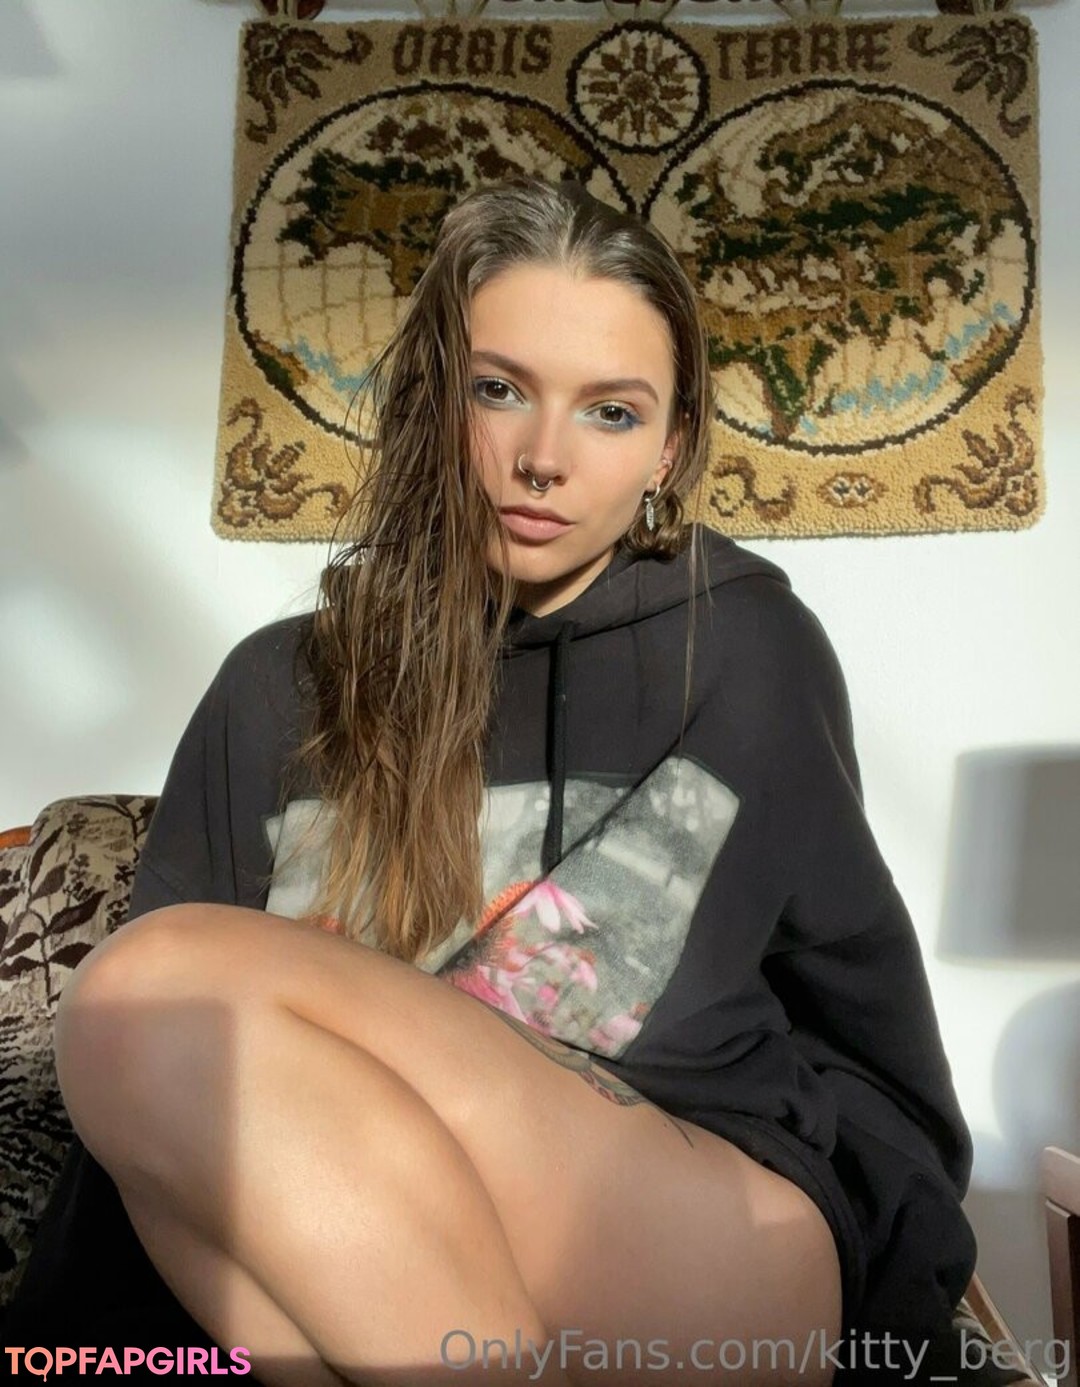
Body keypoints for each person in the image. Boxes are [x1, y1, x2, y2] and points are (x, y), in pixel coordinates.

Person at [4, 177, 977, 1386]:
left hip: (703, 1220)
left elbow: (865, 1018)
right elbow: (166, 1107)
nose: (543, 458)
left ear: (670, 446)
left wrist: (903, 1297)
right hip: (386, 1254)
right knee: (147, 1022)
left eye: (610, 412)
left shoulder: (744, 651)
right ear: (432, 397)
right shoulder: (273, 689)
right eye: (499, 389)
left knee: (144, 984)